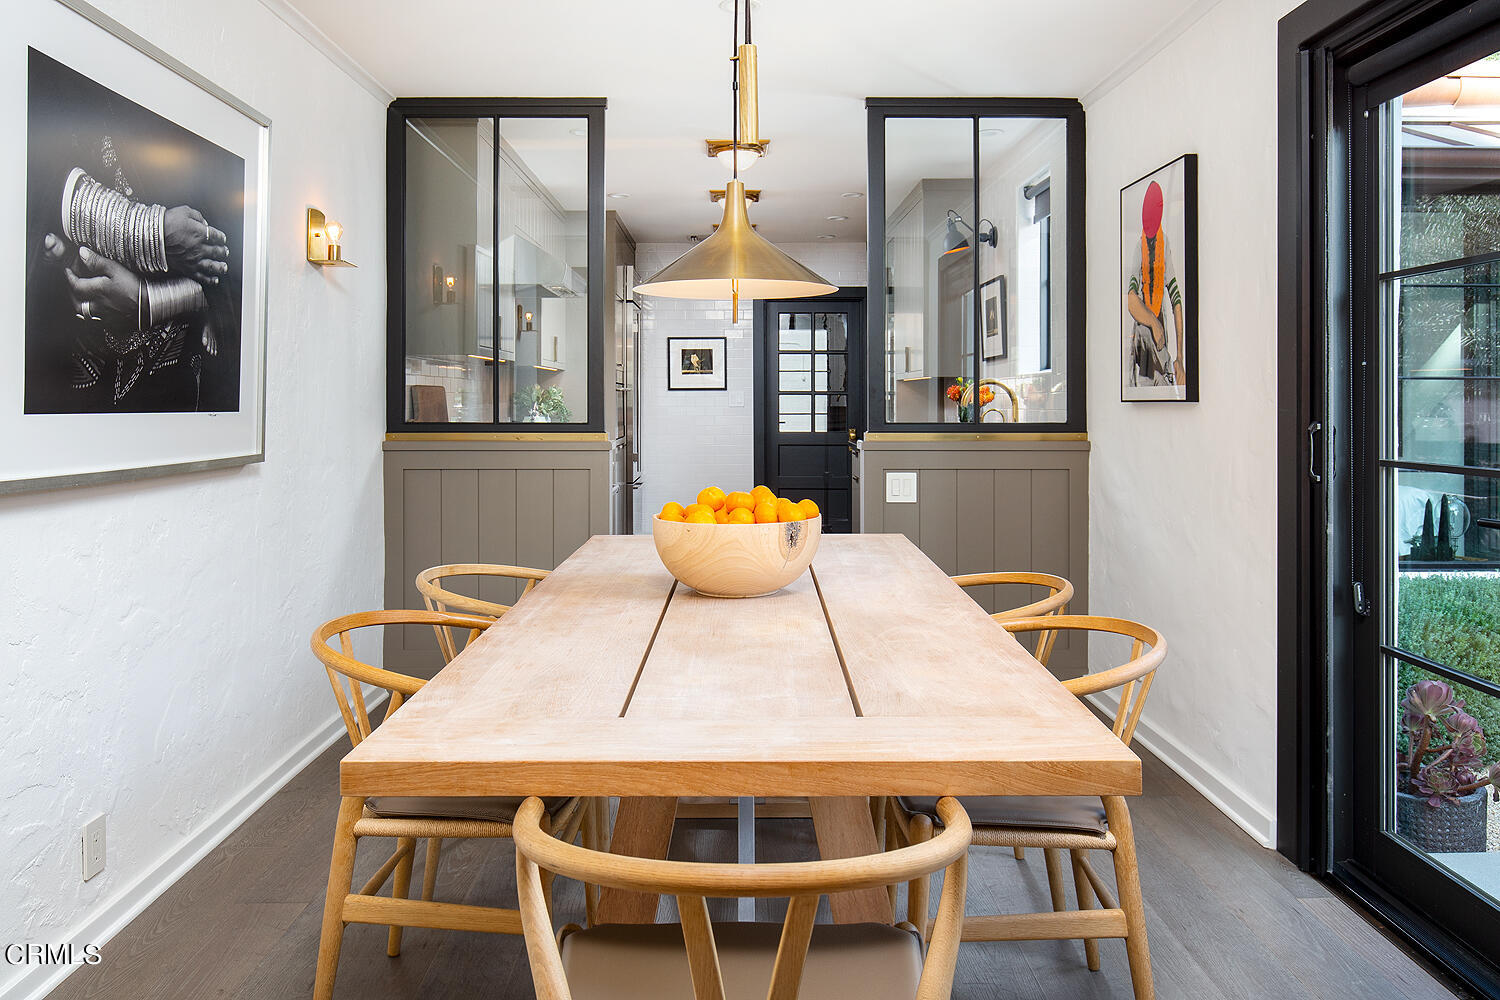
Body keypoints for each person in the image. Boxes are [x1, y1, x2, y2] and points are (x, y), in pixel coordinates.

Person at [1125, 181, 1186, 388]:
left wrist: (1180, 356)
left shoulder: (1165, 244)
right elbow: (1132, 299)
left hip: (1160, 338)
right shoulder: (1138, 248)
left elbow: (1176, 299)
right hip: (1143, 336)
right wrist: (1153, 321)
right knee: (1143, 385)